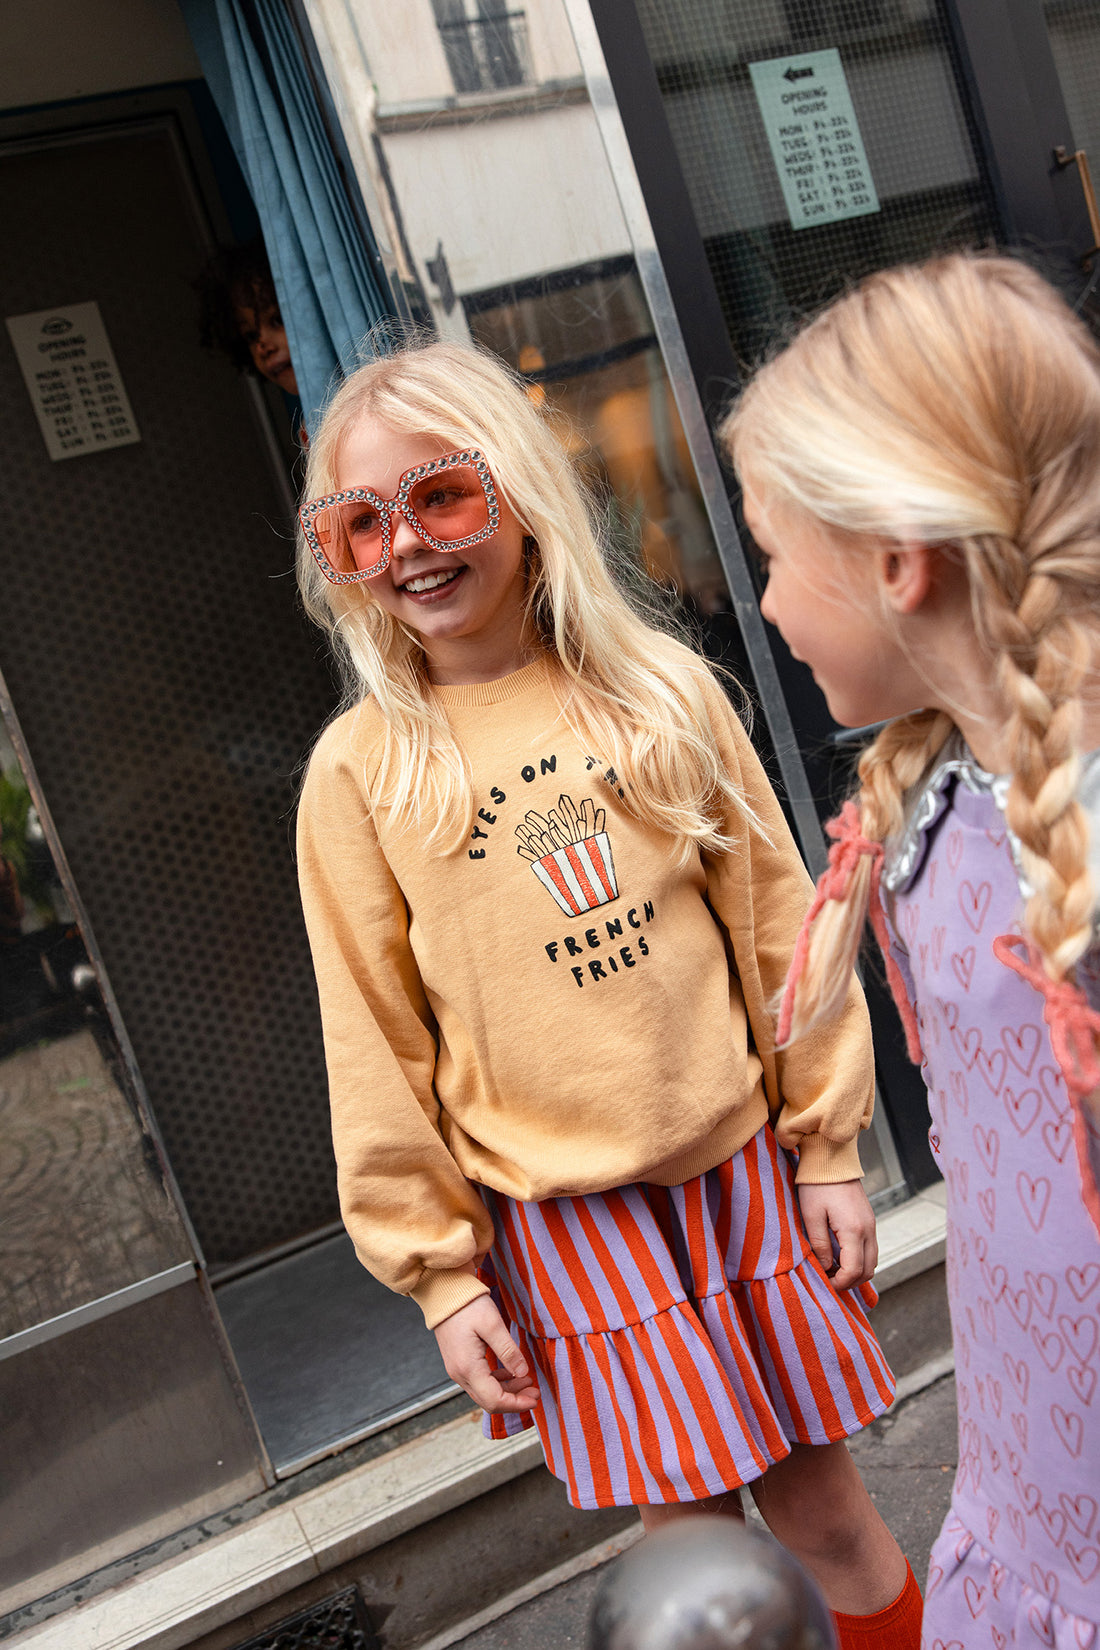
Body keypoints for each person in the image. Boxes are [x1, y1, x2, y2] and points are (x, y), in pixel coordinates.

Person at [293, 339, 922, 1649]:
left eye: (441, 497)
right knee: (691, 1558)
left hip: (740, 1172)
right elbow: (374, 1047)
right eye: (361, 522)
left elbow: (775, 932)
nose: (406, 543)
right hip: (569, 1225)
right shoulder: (360, 775)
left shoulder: (658, 694)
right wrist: (446, 1279)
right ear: (337, 555)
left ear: (519, 493)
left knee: (826, 1513)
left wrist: (826, 1148)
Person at [723, 252, 1100, 1649]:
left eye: (772, 554)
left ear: (897, 558)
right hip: (1033, 1491)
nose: (758, 604)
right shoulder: (928, 803)